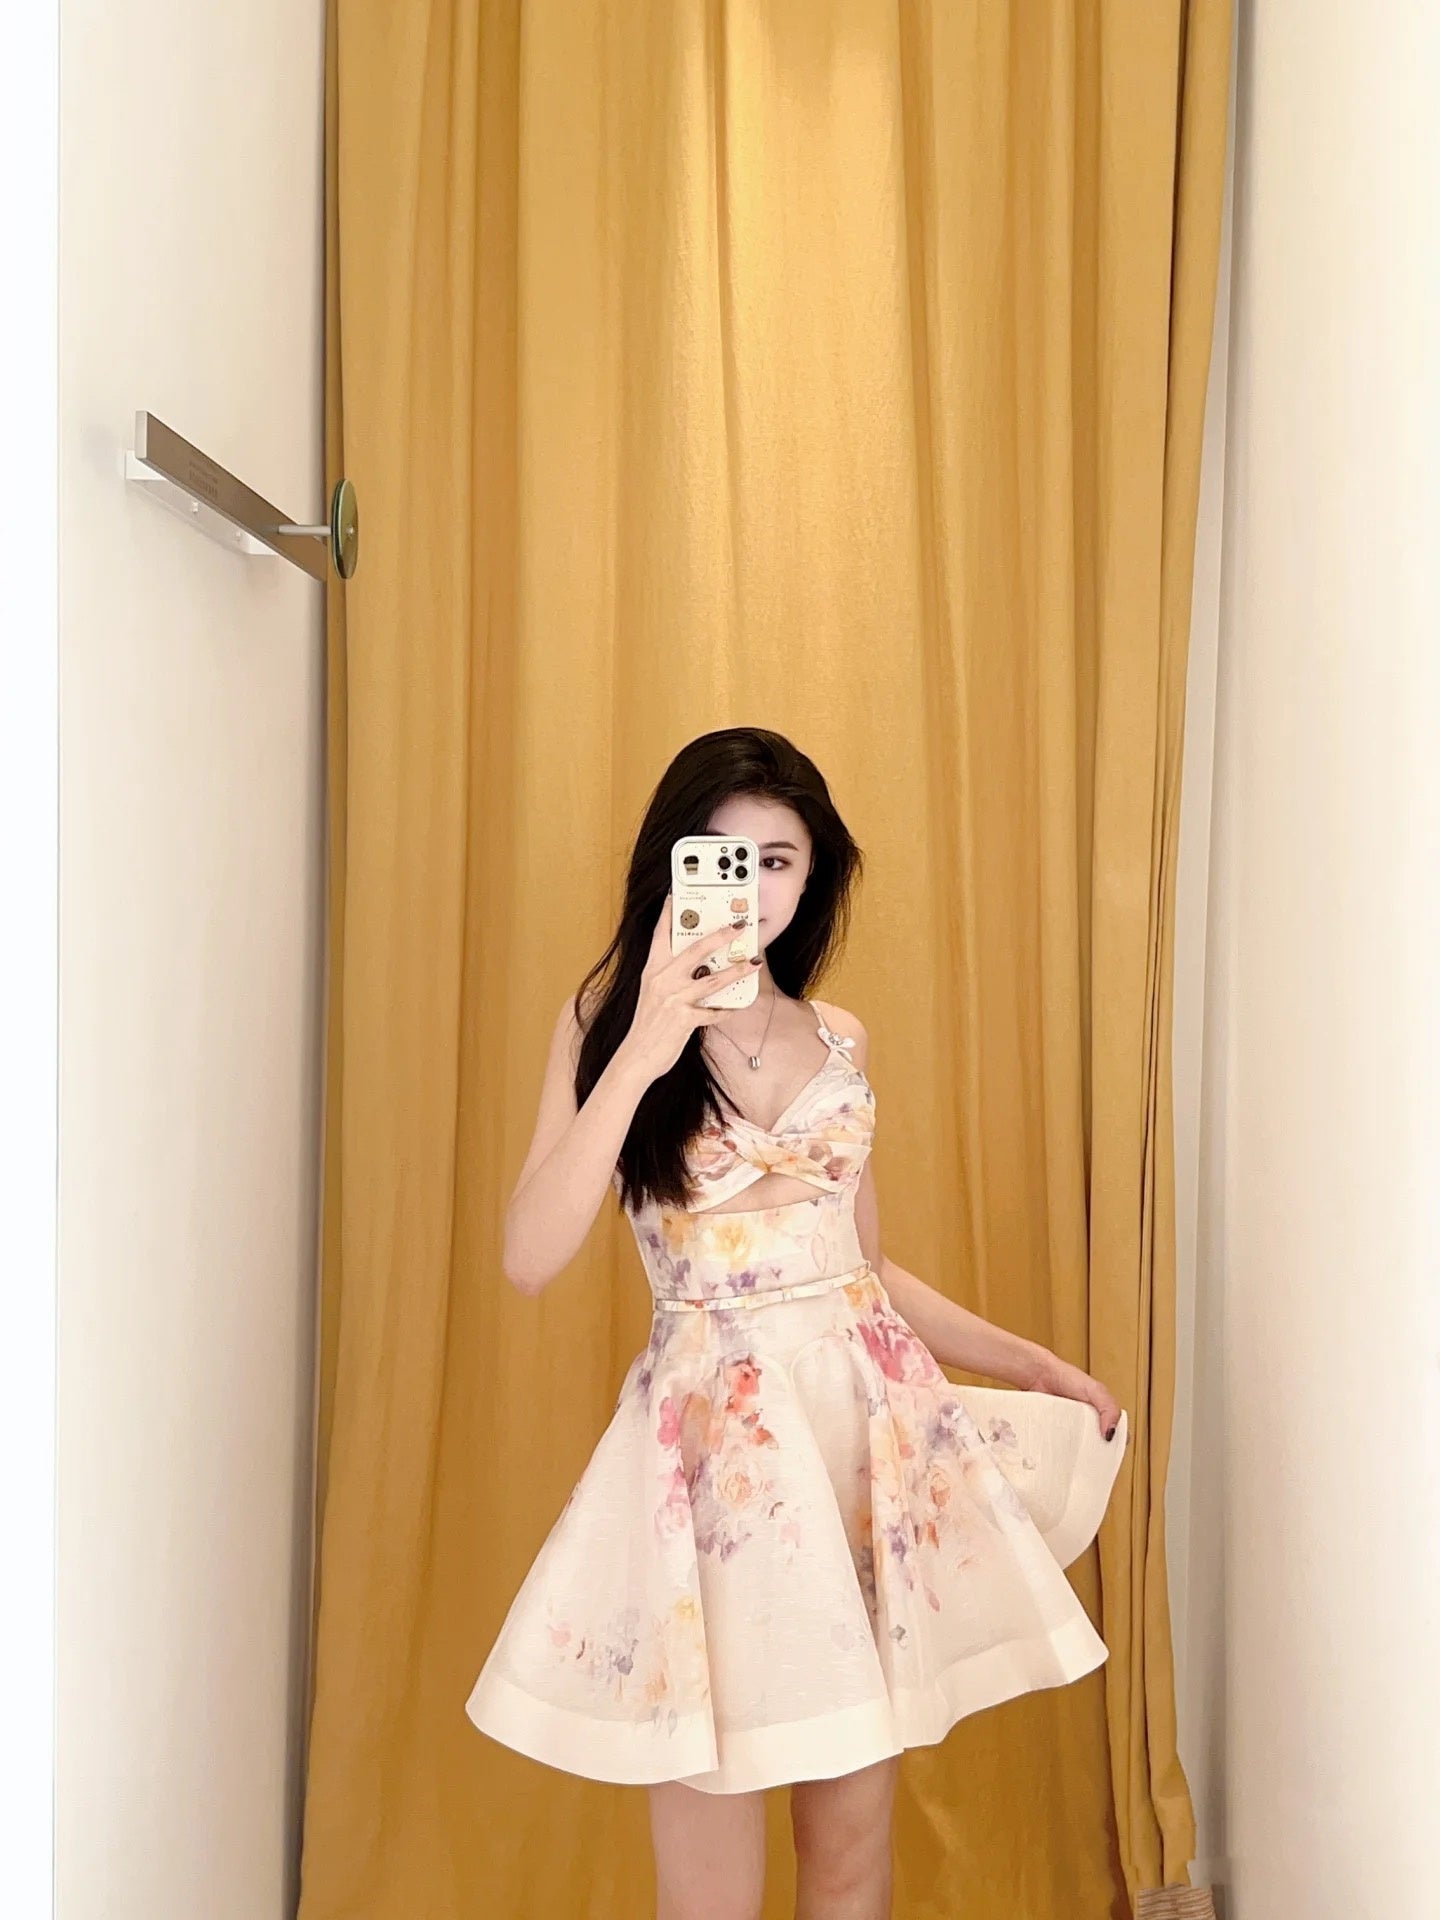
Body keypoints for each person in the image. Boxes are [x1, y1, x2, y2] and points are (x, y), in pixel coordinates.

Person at [466, 727, 1126, 1920]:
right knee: (709, 1889)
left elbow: (862, 1271)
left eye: (777, 859)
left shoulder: (840, 1037)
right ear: (674, 866)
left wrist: (1035, 1364)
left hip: (858, 1445)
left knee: (853, 1860)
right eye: (722, 856)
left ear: (813, 874)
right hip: (712, 1466)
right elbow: (528, 1256)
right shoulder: (602, 1023)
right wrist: (648, 1043)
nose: (753, 886)